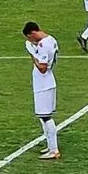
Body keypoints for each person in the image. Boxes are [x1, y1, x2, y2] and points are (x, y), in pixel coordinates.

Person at [21, 21, 61, 160]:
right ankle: (51, 146)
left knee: (46, 117)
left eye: (29, 38)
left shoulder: (44, 45)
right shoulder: (50, 40)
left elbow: (42, 68)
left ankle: (54, 149)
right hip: (46, 83)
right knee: (43, 116)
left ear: (32, 33)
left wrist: (32, 53)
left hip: (44, 84)